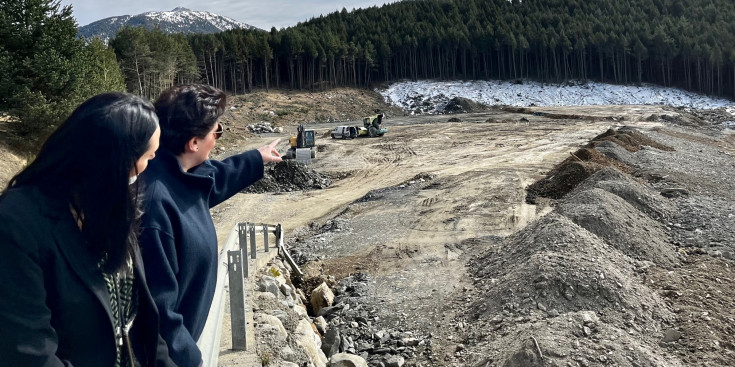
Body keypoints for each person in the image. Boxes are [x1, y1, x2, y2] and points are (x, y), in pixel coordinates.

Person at [0, 93, 177, 367]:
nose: (145, 170)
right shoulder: (17, 223)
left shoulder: (110, 205)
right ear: (115, 163)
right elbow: (28, 352)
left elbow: (138, 316)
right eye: (147, 157)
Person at [139, 84, 281, 367]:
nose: (217, 137)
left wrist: (256, 158)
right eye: (217, 131)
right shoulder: (155, 207)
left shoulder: (178, 174)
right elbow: (158, 314)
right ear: (193, 143)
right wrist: (189, 358)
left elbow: (214, 178)